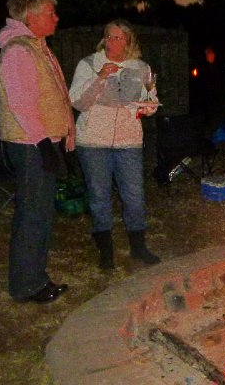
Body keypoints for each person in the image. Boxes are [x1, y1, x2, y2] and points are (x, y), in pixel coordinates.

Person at [0, 0, 75, 303]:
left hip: (42, 142)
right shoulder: (18, 51)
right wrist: (45, 147)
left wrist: (66, 134)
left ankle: (36, 278)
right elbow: (22, 106)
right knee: (32, 215)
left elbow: (55, 95)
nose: (56, 18)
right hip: (30, 144)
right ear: (31, 17)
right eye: (50, 13)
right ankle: (26, 285)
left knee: (42, 212)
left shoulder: (38, 46)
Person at [69, 19, 160, 269]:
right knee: (99, 196)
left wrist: (148, 107)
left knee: (134, 195)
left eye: (118, 38)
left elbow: (148, 99)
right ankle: (105, 249)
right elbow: (78, 102)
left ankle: (139, 247)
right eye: (109, 36)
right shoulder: (89, 64)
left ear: (129, 41)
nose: (112, 42)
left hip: (128, 140)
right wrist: (99, 78)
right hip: (93, 141)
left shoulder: (140, 68)